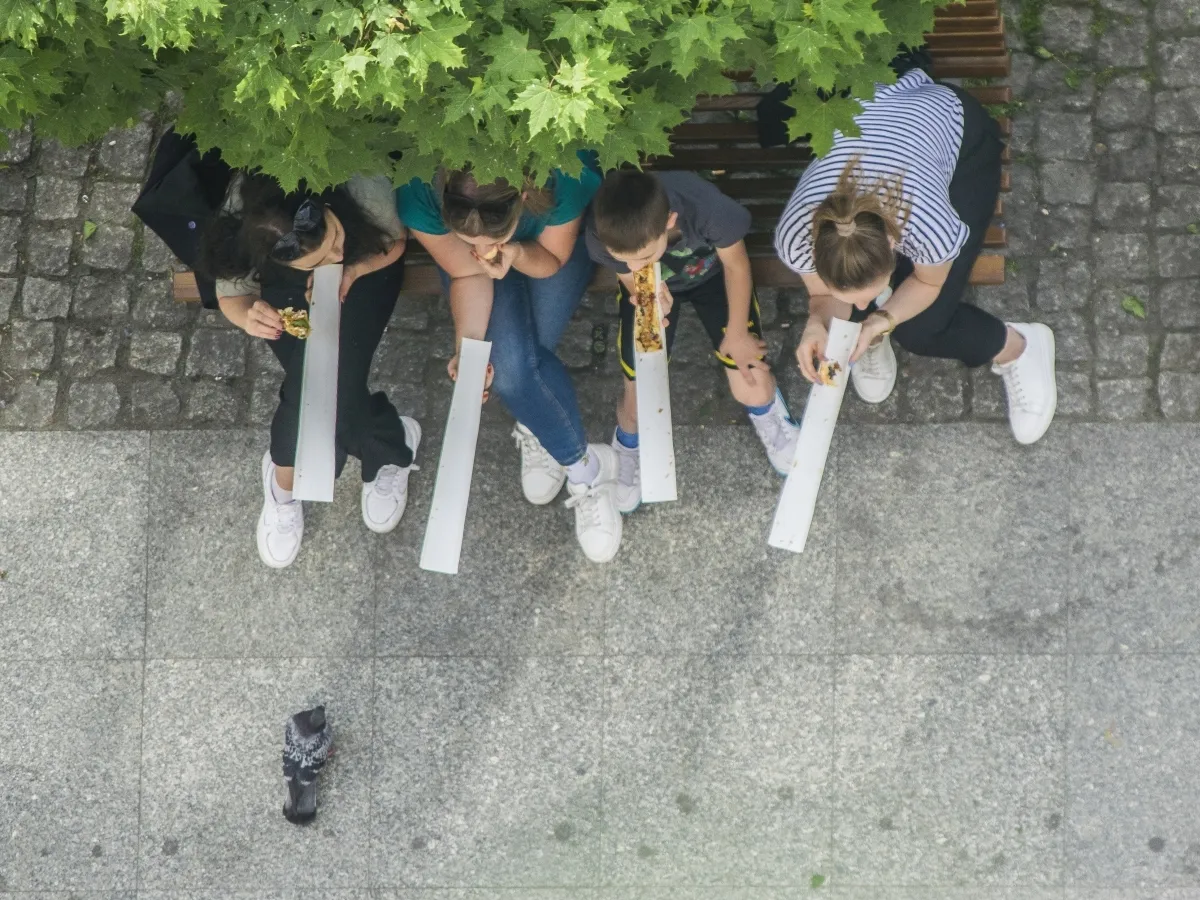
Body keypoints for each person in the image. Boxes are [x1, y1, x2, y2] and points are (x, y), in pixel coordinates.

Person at [774, 68, 1057, 445]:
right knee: (859, 308)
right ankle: (870, 344)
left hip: (960, 145)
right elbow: (824, 297)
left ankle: (1017, 346)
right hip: (888, 122)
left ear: (893, 242)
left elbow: (928, 280)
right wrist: (816, 322)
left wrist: (878, 321)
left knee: (922, 329)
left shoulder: (926, 223)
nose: (861, 305)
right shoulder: (795, 235)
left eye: (867, 293)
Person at [398, 154, 624, 564]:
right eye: (470, 243)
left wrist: (516, 254)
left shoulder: (563, 175)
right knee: (511, 370)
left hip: (545, 253)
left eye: (493, 239)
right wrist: (468, 348)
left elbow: (551, 259)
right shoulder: (418, 194)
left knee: (517, 367)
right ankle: (582, 467)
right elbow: (469, 273)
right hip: (489, 275)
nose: (482, 253)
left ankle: (540, 419)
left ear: (522, 196)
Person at [199, 171, 420, 568]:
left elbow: (394, 242)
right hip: (286, 291)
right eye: (319, 259)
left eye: (334, 237)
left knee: (315, 392)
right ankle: (388, 445)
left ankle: (285, 483)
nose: (334, 255)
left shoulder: (362, 188)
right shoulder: (247, 221)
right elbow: (233, 294)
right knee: (326, 391)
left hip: (368, 269)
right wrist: (250, 316)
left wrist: (349, 268)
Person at [586, 169, 800, 513]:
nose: (632, 263)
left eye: (642, 254)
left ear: (670, 221)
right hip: (652, 288)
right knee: (638, 394)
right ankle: (628, 444)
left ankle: (768, 413)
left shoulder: (709, 210)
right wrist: (649, 293)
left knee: (750, 379)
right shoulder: (606, 233)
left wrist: (738, 333)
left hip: (714, 277)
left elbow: (737, 268)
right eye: (622, 256)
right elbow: (628, 276)